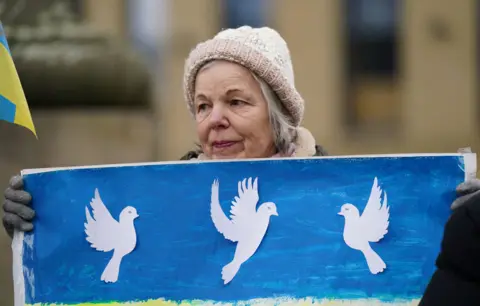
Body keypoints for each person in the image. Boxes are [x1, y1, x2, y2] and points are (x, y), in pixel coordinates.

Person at [2, 26, 479, 304]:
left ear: (278, 116)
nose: (217, 120)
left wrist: (469, 233)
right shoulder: (161, 201)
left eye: (236, 102)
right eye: (203, 106)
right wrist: (40, 229)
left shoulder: (339, 190)